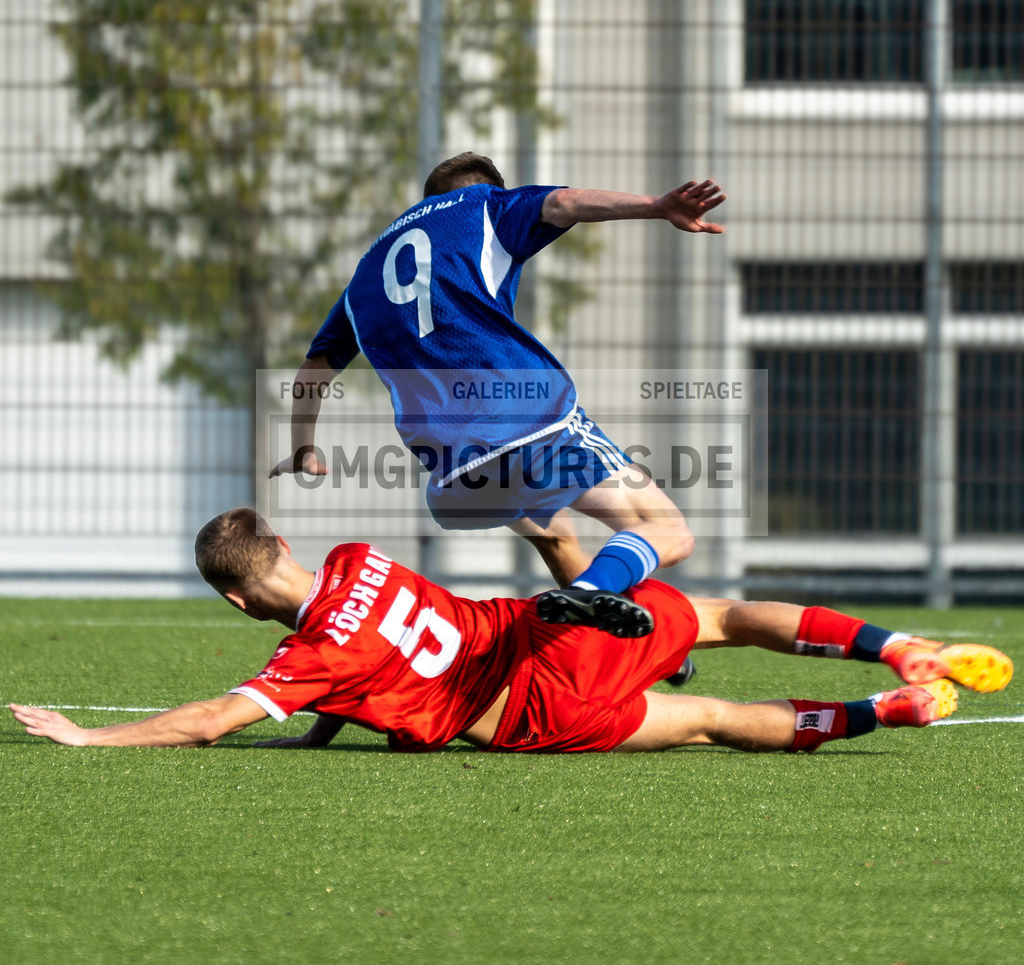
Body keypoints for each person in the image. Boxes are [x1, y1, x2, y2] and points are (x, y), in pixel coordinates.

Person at [10, 509, 1014, 754]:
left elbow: (204, 723)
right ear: (284, 543)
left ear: (236, 600)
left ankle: (880, 712)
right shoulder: (360, 558)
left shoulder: (306, 659)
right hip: (540, 633)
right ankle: (895, 647)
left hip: (530, 712)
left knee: (708, 716)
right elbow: (369, 651)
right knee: (722, 615)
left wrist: (89, 736)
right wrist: (325, 720)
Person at [269, 152, 727, 640]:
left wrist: (304, 450)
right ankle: (593, 592)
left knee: (555, 535)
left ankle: (611, 645)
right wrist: (657, 206)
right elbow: (565, 203)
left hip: (451, 476)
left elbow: (313, 370)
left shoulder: (364, 277)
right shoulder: (484, 204)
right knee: (667, 531)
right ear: (486, 187)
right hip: (526, 422)